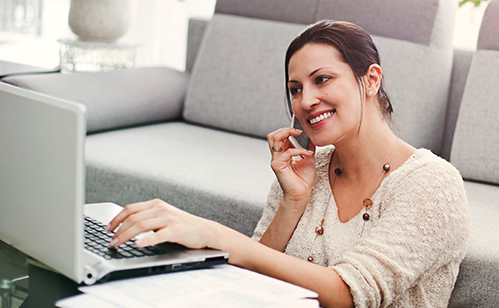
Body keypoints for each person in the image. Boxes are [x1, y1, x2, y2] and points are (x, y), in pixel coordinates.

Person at [106, 20, 470, 307]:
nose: (306, 100)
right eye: (295, 89)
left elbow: (347, 294)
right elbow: (253, 271)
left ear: (371, 80)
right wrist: (293, 201)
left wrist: (214, 235)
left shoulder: (432, 184)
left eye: (322, 79)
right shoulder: (308, 167)